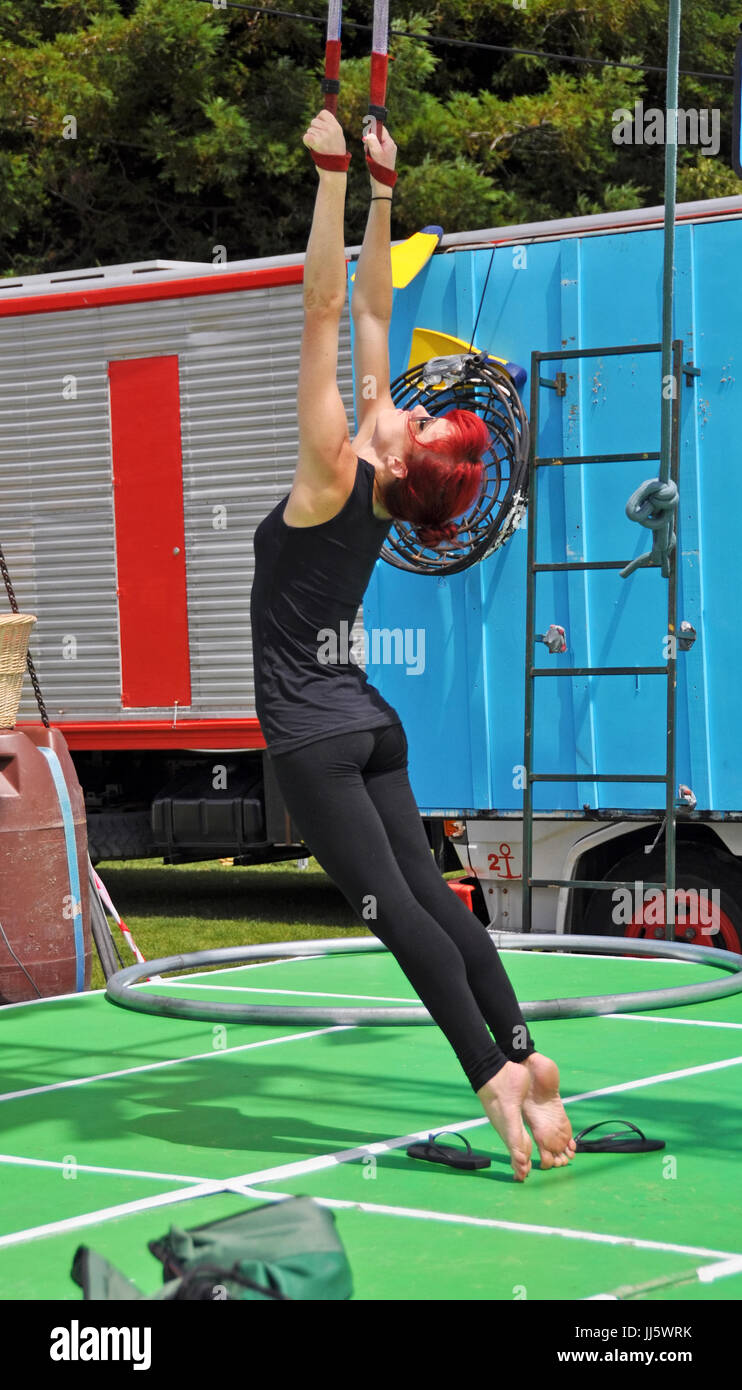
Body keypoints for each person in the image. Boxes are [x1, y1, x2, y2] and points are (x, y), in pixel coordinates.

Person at [249, 108, 576, 1181]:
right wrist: (386, 191)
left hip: (315, 737)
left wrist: (331, 176)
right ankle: (529, 1058)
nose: (414, 406)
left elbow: (323, 309)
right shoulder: (375, 469)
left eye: (422, 422)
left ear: (399, 463)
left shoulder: (329, 471)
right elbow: (374, 305)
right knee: (435, 901)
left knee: (402, 919)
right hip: (368, 724)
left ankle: (490, 1082)